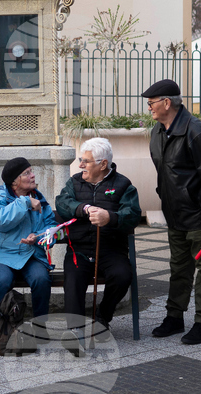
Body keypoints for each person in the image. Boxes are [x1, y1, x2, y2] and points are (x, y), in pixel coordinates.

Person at [144, 79, 201, 346]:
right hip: (175, 215)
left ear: (167, 103)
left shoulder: (196, 132)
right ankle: (174, 317)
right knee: (178, 268)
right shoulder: (157, 132)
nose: (149, 109)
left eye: (151, 104)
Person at [55, 137, 141, 344]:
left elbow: (133, 215)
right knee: (74, 279)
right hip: (80, 250)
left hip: (111, 250)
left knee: (122, 275)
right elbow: (62, 203)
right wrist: (83, 209)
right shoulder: (75, 182)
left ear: (103, 164)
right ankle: (75, 330)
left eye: (86, 161)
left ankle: (102, 316)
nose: (80, 165)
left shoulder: (123, 185)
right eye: (80, 159)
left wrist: (110, 217)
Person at [0, 157, 57, 329]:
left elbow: (51, 230)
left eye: (31, 171)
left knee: (41, 279)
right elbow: (0, 221)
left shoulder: (40, 200)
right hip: (2, 255)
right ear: (14, 182)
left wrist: (38, 238)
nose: (33, 176)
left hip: (31, 253)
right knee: (2, 280)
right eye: (27, 173)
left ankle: (40, 329)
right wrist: (25, 202)